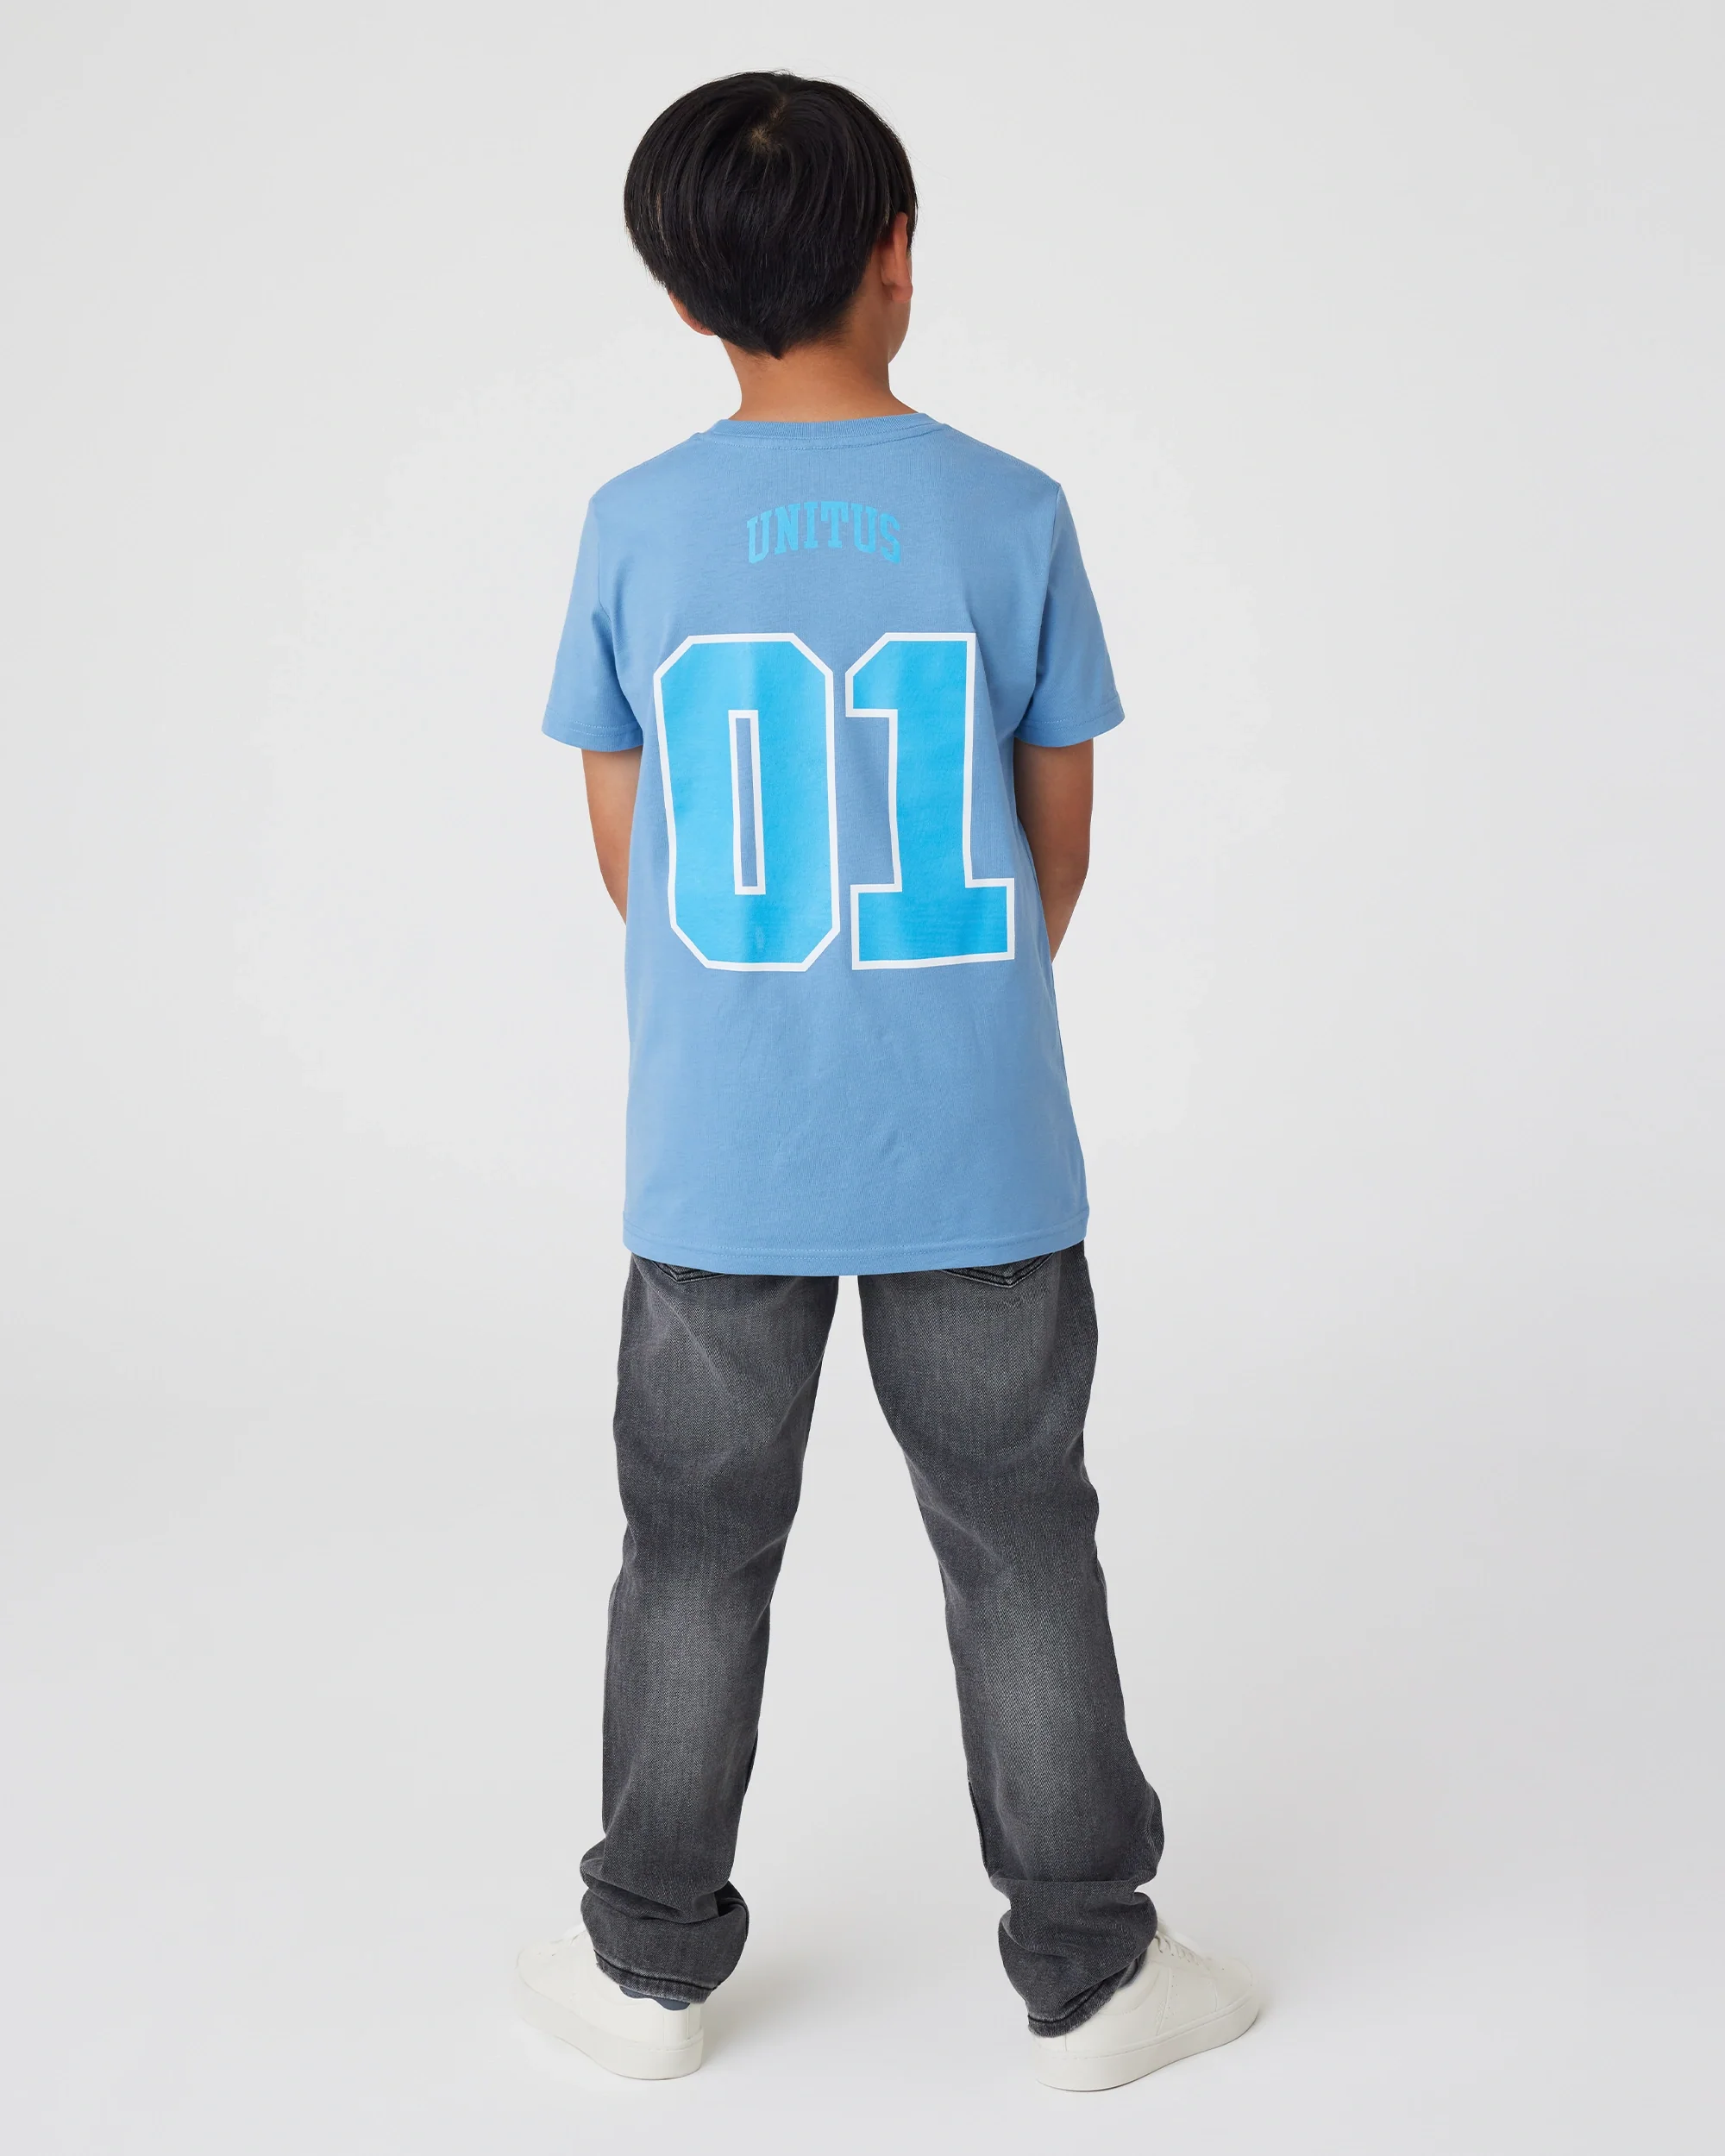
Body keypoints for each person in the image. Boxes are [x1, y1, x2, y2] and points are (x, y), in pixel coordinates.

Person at [514, 72, 1257, 2091]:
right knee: (1022, 1533)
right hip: (975, 1147)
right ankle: (1091, 1973)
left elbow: (634, 856)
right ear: (896, 253)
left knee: (692, 1543)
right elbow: (1054, 851)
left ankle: (646, 1967)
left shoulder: (634, 524)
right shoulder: (1011, 512)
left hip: (719, 1153)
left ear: (682, 297)